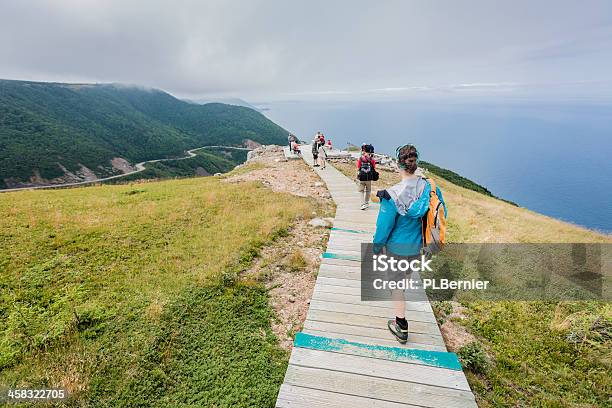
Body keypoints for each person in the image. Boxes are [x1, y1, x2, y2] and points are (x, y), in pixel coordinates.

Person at [372, 144, 431, 344]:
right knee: (404, 278)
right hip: (417, 245)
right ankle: (401, 298)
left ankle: (401, 325)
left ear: (399, 165)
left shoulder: (392, 195)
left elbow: (384, 226)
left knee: (396, 287)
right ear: (415, 164)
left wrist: (376, 247)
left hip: (397, 248)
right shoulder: (427, 187)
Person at [356, 144, 376, 210]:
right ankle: (366, 203)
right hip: (368, 177)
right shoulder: (372, 159)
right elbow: (374, 167)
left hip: (361, 177)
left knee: (361, 191)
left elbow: (358, 167)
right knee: (368, 190)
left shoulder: (360, 158)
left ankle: (362, 204)